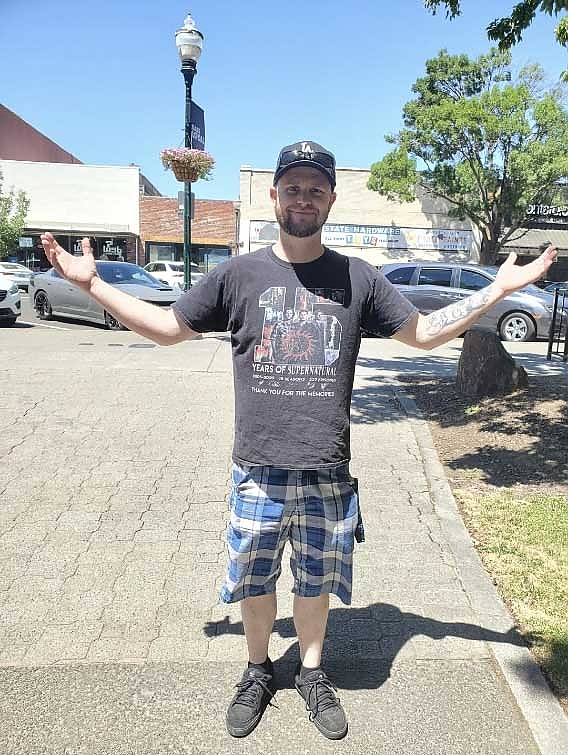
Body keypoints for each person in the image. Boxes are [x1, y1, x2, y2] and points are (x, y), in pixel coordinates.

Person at [40, 140, 557, 742]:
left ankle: (311, 671)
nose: (303, 198)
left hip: (326, 468)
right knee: (255, 579)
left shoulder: (357, 277)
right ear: (275, 195)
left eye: (316, 188)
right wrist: (94, 284)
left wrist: (496, 290)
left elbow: (422, 334)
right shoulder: (237, 274)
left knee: (316, 582)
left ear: (331, 199)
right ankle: (258, 669)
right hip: (257, 466)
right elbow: (165, 327)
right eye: (293, 187)